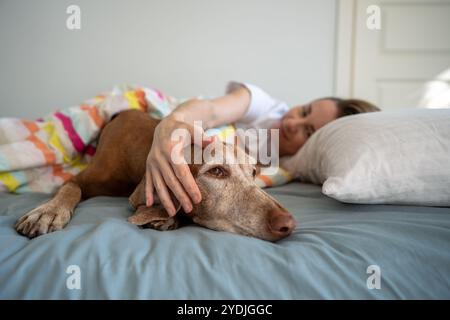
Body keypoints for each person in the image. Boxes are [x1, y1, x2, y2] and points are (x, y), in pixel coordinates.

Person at [145, 81, 380, 216]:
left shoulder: (293, 167)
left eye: (307, 131)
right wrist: (173, 123)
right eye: (304, 111)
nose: (291, 123)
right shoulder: (266, 107)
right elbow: (210, 111)